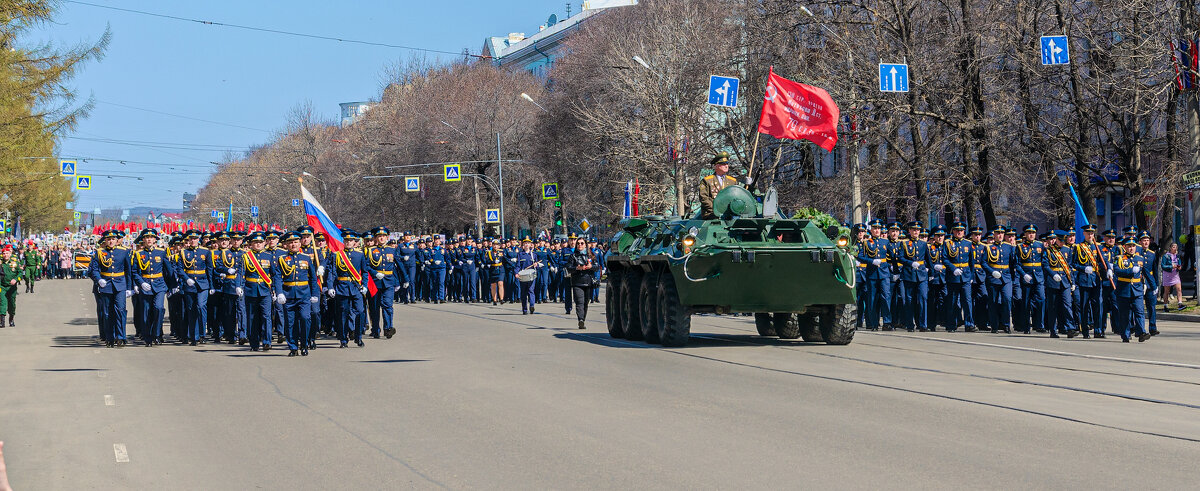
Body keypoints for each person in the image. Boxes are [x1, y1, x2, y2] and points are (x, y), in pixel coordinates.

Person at [274, 232, 319, 356]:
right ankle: (293, 347)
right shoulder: (282, 259)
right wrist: (279, 293)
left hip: (304, 294)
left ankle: (304, 344)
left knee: (305, 318)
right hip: (288, 295)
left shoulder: (306, 258)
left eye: (295, 242)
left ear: (299, 243)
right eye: (290, 242)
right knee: (290, 322)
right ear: (286, 245)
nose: (293, 244)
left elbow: (313, 278)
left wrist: (315, 294)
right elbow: (277, 277)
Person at [325, 230, 372, 348]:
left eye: (350, 240)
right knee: (342, 314)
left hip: (356, 288)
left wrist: (365, 285)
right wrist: (330, 287)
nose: (348, 242)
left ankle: (358, 336)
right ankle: (343, 339)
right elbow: (331, 272)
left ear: (354, 242)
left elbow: (365, 272)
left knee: (360, 311)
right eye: (346, 240)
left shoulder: (360, 254)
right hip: (342, 287)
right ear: (343, 241)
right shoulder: (337, 255)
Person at [88, 230, 131, 347]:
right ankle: (109, 337)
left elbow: (128, 271)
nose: (110, 241)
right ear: (105, 241)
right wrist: (98, 279)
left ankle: (121, 337)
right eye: (108, 239)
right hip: (106, 285)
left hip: (120, 284)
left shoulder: (124, 251)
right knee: (107, 313)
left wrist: (129, 287)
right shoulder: (99, 252)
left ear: (117, 240)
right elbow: (95, 269)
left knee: (120, 310)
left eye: (113, 239)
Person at [130, 229, 169, 347]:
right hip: (145, 286)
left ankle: (157, 334)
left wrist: (172, 286)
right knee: (146, 312)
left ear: (155, 239)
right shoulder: (138, 254)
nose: (149, 239)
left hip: (159, 285)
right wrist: (140, 283)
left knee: (159, 308)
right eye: (147, 237)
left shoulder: (161, 252)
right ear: (143, 240)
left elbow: (168, 271)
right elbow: (134, 272)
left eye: (151, 237)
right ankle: (147, 337)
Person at [240, 232, 278, 351]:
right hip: (250, 290)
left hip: (265, 291)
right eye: (255, 242)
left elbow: (274, 274)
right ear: (251, 244)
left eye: (261, 242)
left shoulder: (269, 256)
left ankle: (267, 342)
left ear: (264, 243)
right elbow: (241, 273)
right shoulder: (246, 256)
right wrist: (239, 287)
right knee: (252, 317)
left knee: (266, 316)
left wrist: (276, 290)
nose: (258, 244)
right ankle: (254, 343)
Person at [1112, 237, 1151, 343]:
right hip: (1124, 290)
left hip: (1137, 289)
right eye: (1129, 246)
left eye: (1133, 246)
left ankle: (1142, 332)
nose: (1131, 248)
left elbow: (1145, 273)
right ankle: (1125, 334)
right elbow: (1117, 271)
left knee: (1140, 312)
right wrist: (1130, 271)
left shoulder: (1140, 259)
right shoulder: (1119, 258)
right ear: (1124, 247)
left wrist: (1150, 285)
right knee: (1125, 314)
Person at [565, 237, 597, 329]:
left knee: (586, 302)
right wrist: (576, 268)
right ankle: (580, 320)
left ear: (585, 245)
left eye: (582, 243)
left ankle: (583, 319)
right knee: (579, 302)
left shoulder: (590, 255)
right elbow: (568, 267)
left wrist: (591, 266)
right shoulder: (573, 256)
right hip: (577, 282)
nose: (580, 245)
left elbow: (597, 266)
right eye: (578, 243)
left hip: (588, 282)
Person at [698, 152, 740, 219]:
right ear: (716, 166)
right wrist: (717, 209)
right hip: (712, 215)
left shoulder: (732, 181)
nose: (726, 166)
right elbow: (704, 198)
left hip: (730, 216)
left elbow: (737, 197)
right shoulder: (707, 181)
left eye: (727, 164)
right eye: (723, 164)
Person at [515, 238, 539, 314]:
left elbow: (537, 265)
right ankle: (524, 309)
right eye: (525, 243)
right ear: (523, 245)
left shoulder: (533, 255)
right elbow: (518, 265)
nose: (526, 245)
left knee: (531, 291)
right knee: (524, 293)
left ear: (530, 245)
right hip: (523, 276)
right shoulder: (520, 255)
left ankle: (532, 306)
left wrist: (536, 265)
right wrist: (516, 273)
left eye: (528, 243)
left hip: (531, 276)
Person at [0, 246, 22, 328]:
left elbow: (20, 273)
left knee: (12, 304)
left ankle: (11, 319)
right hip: (2, 286)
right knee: (2, 302)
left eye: (7, 253)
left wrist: (16, 279)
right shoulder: (0, 263)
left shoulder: (15, 263)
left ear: (10, 254)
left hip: (12, 287)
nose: (5, 255)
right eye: (3, 253)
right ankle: (2, 321)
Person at [1160, 241, 1184, 310]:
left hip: (1175, 275)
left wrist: (1179, 267)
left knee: (1179, 289)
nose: (1175, 248)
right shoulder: (1166, 256)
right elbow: (1163, 266)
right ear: (1170, 248)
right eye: (1173, 247)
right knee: (1167, 291)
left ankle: (1180, 304)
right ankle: (1165, 305)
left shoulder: (1177, 256)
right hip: (1167, 275)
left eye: (1176, 247)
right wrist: (1171, 266)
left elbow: (1179, 264)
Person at [484, 240, 505, 304]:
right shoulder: (489, 253)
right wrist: (493, 262)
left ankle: (501, 299)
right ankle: (495, 300)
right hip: (493, 269)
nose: (495, 246)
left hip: (500, 269)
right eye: (494, 244)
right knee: (493, 285)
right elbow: (487, 260)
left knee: (500, 283)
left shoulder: (502, 252)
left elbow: (505, 259)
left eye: (497, 244)